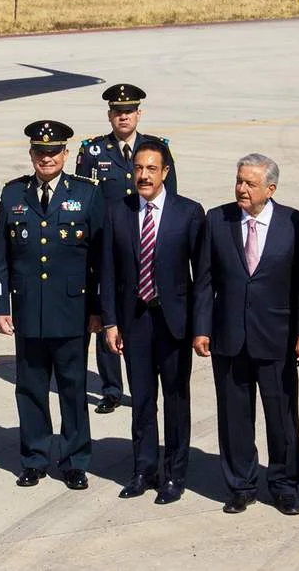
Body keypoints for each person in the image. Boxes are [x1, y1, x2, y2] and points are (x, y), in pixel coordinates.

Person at [0, 119, 105, 490]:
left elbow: (100, 259)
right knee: (30, 388)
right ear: (31, 154)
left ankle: (74, 461)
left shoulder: (87, 194)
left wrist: (99, 309)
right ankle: (35, 458)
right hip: (27, 310)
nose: (47, 157)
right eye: (40, 152)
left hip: (73, 311)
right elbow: (1, 256)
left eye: (54, 151)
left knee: (72, 388)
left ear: (66, 154)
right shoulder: (13, 195)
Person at [193, 154, 299, 516]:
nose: (242, 188)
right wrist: (201, 328)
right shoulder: (217, 219)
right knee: (234, 416)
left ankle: (285, 485)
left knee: (282, 417)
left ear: (270, 189)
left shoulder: (295, 223)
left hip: (277, 336)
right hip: (229, 336)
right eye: (239, 180)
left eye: (250, 184)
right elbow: (205, 279)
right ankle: (241, 485)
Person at [99, 138, 204, 503]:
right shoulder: (117, 211)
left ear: (165, 173)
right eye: (139, 168)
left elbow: (202, 277)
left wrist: (200, 327)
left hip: (174, 322)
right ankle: (144, 469)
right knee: (142, 399)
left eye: (151, 169)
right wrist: (111, 322)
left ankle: (175, 474)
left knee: (176, 399)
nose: (143, 176)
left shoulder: (188, 212)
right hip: (136, 321)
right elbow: (108, 273)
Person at [75, 83, 178, 415]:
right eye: (118, 113)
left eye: (129, 112)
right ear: (109, 116)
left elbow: (170, 198)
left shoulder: (156, 150)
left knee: (142, 312)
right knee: (109, 310)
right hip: (107, 244)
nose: (124, 117)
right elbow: (84, 201)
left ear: (138, 114)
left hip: (144, 243)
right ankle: (110, 388)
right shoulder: (92, 152)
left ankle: (144, 384)